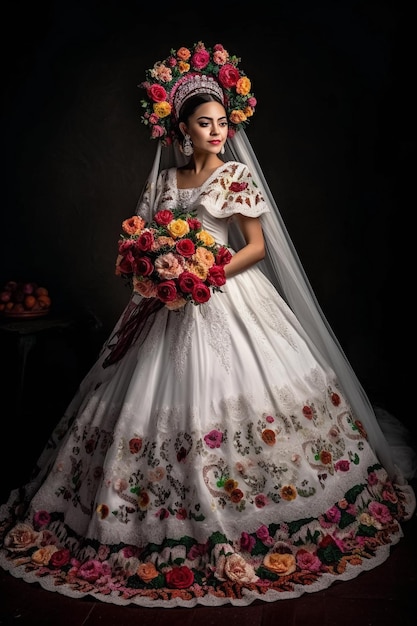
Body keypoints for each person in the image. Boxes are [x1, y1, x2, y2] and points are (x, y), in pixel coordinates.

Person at [0, 40, 415, 609]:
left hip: (228, 294)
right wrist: (153, 267)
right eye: (205, 123)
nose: (217, 131)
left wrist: (205, 266)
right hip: (169, 302)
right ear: (183, 129)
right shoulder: (167, 184)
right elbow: (141, 243)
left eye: (222, 122)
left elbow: (256, 246)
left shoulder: (235, 176)